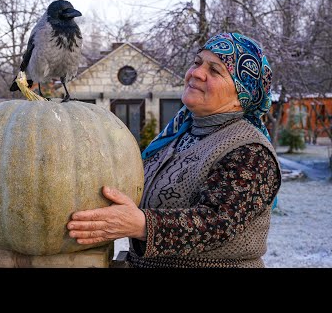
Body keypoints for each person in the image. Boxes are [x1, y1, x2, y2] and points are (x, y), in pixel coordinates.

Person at [67, 32, 281, 268]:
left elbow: (220, 222)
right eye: (197, 62)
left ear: (241, 96)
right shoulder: (175, 137)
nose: (196, 73)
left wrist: (141, 225)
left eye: (215, 70)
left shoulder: (250, 151)